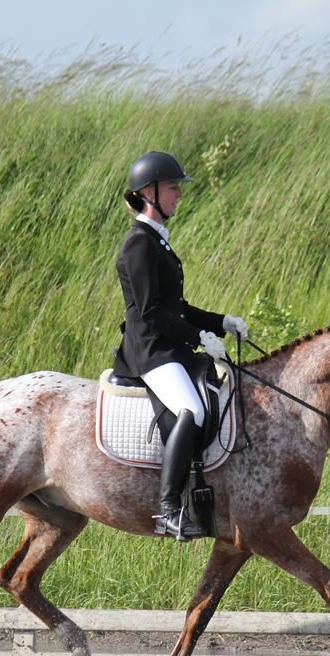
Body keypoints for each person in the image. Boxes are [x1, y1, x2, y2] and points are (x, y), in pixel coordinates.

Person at [112, 151, 248, 541]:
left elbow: (178, 307)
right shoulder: (139, 245)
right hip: (150, 351)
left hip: (169, 347)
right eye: (173, 187)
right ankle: (169, 510)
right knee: (191, 409)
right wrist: (197, 337)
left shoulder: (157, 243)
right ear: (149, 192)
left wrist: (219, 323)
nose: (178, 195)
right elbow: (152, 312)